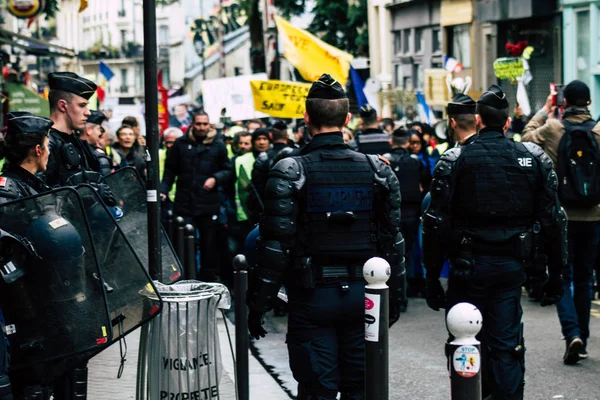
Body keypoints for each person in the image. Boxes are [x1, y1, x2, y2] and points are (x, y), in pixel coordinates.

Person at [247, 74, 405, 399]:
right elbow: (394, 242)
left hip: (313, 297)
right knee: (360, 389)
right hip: (364, 295)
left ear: (306, 118)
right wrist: (395, 300)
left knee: (317, 390)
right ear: (348, 119)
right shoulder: (378, 170)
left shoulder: (290, 170)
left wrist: (257, 305)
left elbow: (274, 246)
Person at [422, 85, 566, 400]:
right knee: (506, 345)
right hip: (512, 268)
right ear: (505, 122)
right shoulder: (533, 157)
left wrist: (432, 277)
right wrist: (556, 274)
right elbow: (554, 221)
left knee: (465, 341)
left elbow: (435, 225)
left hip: (467, 268)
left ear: (478, 119)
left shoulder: (455, 159)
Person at [522, 79, 600, 362]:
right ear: (589, 102)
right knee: (584, 278)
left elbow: (525, 137)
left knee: (561, 276)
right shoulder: (599, 131)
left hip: (561, 215)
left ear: (563, 103)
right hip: (594, 215)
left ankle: (572, 333)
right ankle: (584, 337)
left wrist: (544, 110)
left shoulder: (554, 128)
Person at [0, 112, 53, 400]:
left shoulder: (35, 184)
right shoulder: (8, 189)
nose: (49, 150)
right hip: (21, 303)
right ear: (37, 149)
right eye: (48, 144)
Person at [160, 111, 232, 281]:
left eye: (205, 124)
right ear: (192, 124)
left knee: (209, 246)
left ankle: (207, 280)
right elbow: (170, 170)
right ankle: (185, 278)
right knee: (184, 244)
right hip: (185, 202)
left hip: (208, 202)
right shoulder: (180, 144)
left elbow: (228, 170)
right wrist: (163, 189)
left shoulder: (218, 145)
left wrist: (216, 179)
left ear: (209, 125)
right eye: (198, 124)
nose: (201, 128)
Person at [80, 110, 113, 176]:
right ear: (89, 130)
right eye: (98, 129)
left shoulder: (72, 148)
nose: (100, 133)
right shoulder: (98, 156)